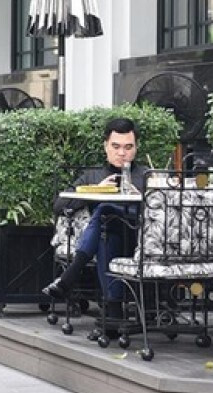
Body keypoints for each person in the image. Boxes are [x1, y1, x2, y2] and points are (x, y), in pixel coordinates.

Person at [43, 117, 148, 320]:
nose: (121, 153)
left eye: (128, 147)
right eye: (116, 146)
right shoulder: (93, 176)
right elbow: (59, 205)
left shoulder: (146, 175)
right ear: (105, 146)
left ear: (136, 148)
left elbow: (162, 209)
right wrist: (96, 190)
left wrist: (141, 197)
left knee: (104, 211)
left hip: (138, 240)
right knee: (104, 230)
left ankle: (70, 276)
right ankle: (113, 315)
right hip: (107, 240)